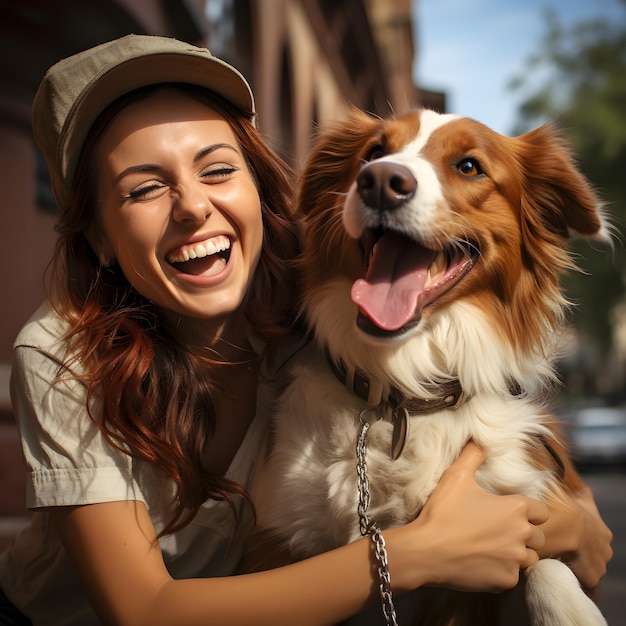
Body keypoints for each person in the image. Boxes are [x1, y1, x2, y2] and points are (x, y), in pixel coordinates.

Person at [0, 34, 612, 626]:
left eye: (216, 170)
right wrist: (416, 553)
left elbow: (566, 505)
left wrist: (572, 525)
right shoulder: (62, 354)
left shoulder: (304, 289)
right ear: (98, 237)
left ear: (258, 183)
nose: (191, 207)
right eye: (146, 188)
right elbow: (142, 612)